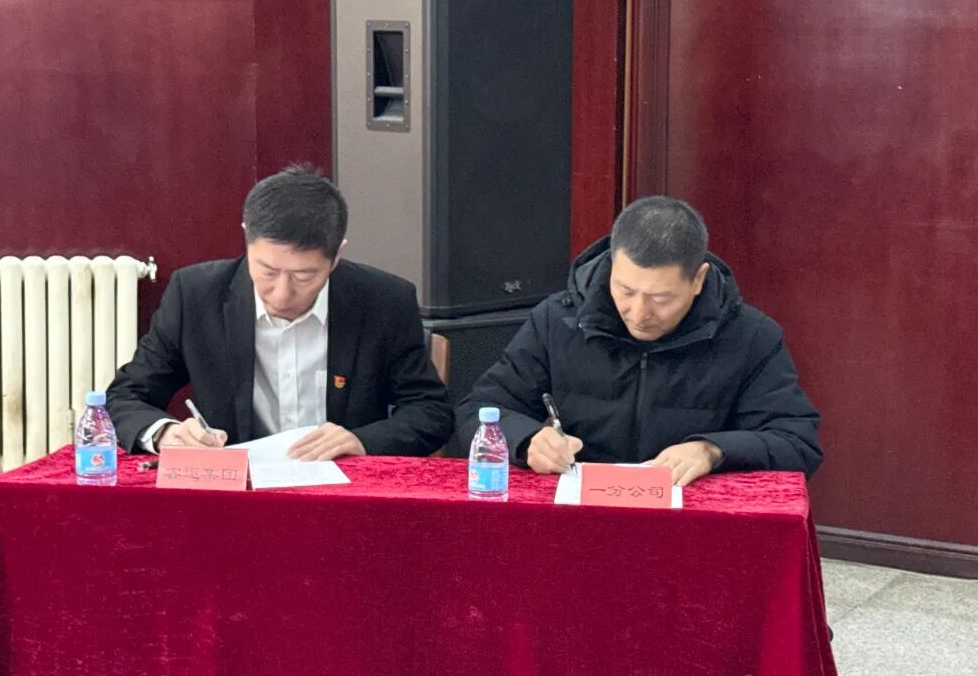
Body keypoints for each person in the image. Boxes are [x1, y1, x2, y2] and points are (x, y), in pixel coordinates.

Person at [455, 196, 821, 486]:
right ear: (612, 267)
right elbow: (480, 408)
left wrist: (712, 450)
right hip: (576, 511)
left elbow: (796, 441)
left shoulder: (750, 336)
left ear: (698, 280)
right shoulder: (557, 321)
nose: (639, 312)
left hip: (693, 522)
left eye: (661, 298)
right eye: (626, 290)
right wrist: (527, 440)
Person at [107, 165, 454, 459]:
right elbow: (127, 395)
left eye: (304, 276)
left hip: (343, 490)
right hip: (237, 493)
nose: (282, 293)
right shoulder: (196, 295)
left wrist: (362, 441)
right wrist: (164, 433)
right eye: (267, 271)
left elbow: (431, 411)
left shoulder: (384, 301)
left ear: (337, 255)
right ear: (247, 238)